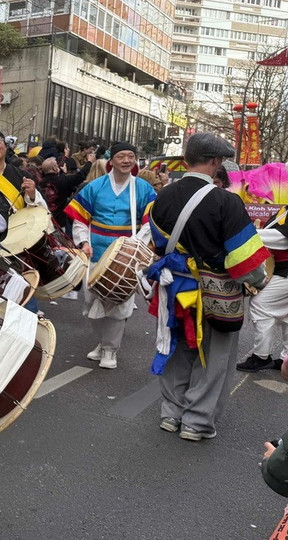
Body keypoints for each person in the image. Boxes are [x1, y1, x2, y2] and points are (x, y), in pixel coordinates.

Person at [147, 132, 269, 441]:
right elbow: (245, 260)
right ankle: (196, 421)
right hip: (216, 292)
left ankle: (170, 414)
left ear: (187, 159)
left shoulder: (162, 197)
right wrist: (258, 282)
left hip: (174, 288)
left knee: (176, 348)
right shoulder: (225, 201)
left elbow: (158, 245)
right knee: (213, 356)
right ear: (214, 162)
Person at [65, 142, 155, 369]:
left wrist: (134, 247)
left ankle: (110, 350)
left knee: (118, 305)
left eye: (131, 156)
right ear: (111, 161)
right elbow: (80, 219)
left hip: (125, 258)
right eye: (121, 156)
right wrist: (84, 242)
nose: (126, 161)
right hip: (96, 253)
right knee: (91, 303)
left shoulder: (143, 188)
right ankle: (102, 342)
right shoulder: (94, 187)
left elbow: (149, 222)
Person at [237, 206, 288, 373]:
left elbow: (282, 238)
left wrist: (249, 234)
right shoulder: (284, 210)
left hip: (285, 272)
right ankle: (285, 359)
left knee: (260, 304)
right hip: (282, 270)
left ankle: (260, 357)